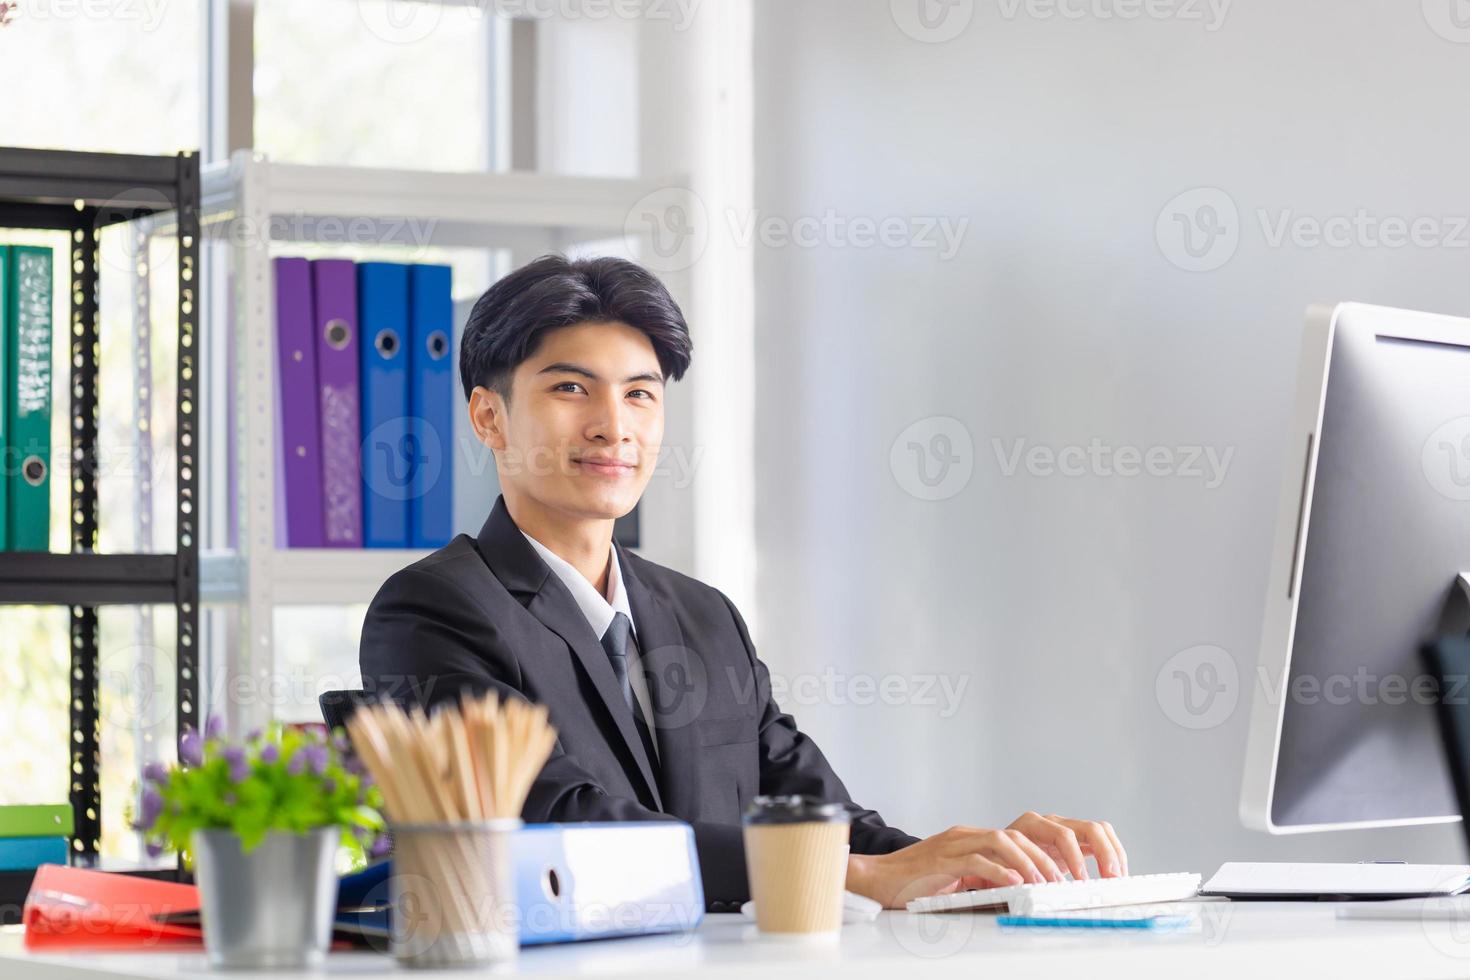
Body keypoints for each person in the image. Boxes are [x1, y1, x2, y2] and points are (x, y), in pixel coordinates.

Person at [359, 254, 1128, 911]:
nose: (613, 425)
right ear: (488, 417)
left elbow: (817, 814)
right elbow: (557, 824)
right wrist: (854, 876)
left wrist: (970, 866)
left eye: (640, 393)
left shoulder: (702, 614)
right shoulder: (434, 609)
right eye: (570, 389)